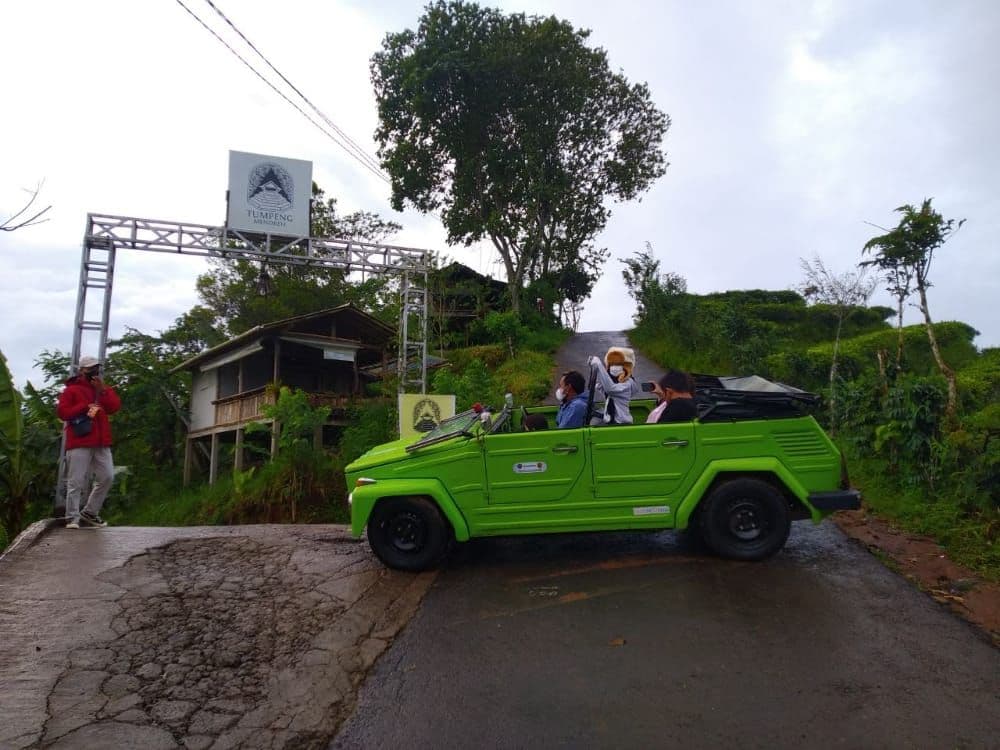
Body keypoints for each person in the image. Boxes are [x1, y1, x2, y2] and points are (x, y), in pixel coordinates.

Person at [56, 355, 121, 529]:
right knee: (76, 481)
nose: (94, 371)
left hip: (101, 441)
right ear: (81, 370)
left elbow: (114, 407)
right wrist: (84, 406)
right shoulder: (71, 390)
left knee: (107, 476)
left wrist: (103, 390)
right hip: (79, 440)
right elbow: (62, 412)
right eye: (89, 368)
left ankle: (90, 512)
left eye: (96, 368)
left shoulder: (100, 388)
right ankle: (72, 517)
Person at [587, 348, 643, 425]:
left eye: (618, 364)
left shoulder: (627, 384)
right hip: (611, 421)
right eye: (611, 364)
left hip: (622, 424)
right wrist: (595, 368)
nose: (614, 367)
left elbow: (610, 389)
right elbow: (600, 386)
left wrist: (599, 364)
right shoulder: (613, 382)